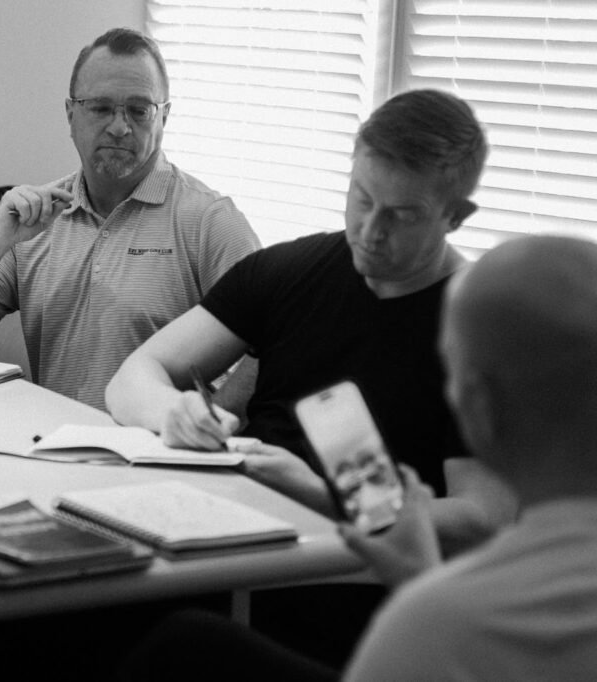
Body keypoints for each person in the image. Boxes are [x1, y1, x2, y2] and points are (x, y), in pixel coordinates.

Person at [106, 89, 518, 665]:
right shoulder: (291, 270)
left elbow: (481, 520)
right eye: (361, 198)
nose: (370, 230)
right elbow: (133, 378)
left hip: (354, 592)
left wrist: (323, 494)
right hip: (231, 551)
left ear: (455, 216)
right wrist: (173, 413)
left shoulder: (481, 328)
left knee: (173, 644)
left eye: (401, 215)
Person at [120, 234, 597, 681]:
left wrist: (328, 499)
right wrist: (417, 575)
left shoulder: (456, 620)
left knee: (183, 643)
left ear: (478, 406)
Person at [0, 27, 259, 409]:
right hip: (56, 439)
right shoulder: (37, 220)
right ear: (71, 114)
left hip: (160, 445)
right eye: (101, 108)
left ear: (164, 117)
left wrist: (213, 422)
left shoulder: (210, 222)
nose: (120, 127)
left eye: (139, 110)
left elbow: (271, 346)